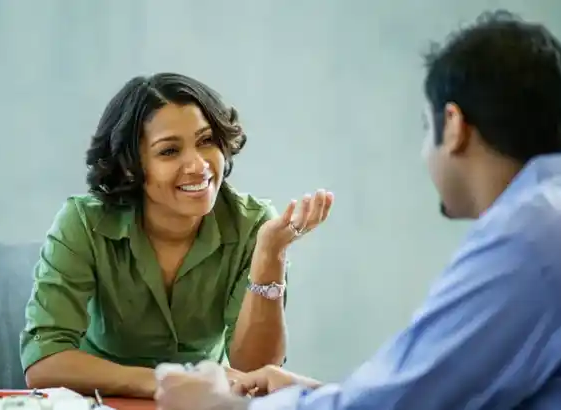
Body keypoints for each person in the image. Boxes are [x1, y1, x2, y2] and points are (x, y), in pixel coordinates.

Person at [155, 10, 561, 410]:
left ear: (453, 127)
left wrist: (224, 407)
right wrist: (304, 394)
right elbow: (427, 389)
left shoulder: (529, 240)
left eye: (423, 126)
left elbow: (406, 401)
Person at [19, 73, 334, 398]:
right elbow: (44, 362)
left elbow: (254, 373)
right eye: (169, 151)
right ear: (130, 167)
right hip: (107, 403)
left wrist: (270, 254)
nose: (198, 165)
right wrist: (165, 383)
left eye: (206, 141)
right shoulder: (83, 222)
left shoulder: (253, 226)